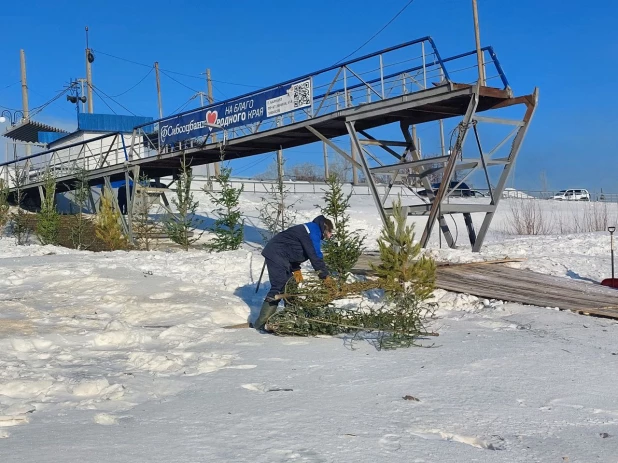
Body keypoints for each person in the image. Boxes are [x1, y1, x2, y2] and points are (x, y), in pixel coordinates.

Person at [254, 215, 334, 331]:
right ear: (326, 229)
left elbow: (295, 250)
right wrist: (325, 277)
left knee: (291, 286)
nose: (330, 236)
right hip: (276, 254)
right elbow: (315, 256)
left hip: (283, 256)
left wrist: (297, 275)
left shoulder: (312, 230)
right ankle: (260, 324)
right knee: (279, 286)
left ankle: (291, 317)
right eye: (331, 233)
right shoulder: (313, 231)